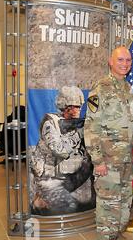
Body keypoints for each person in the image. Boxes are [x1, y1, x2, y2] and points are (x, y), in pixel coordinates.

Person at [84, 46, 133, 240]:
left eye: (128, 60)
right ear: (110, 61)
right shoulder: (100, 89)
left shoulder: (128, 89)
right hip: (107, 160)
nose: (125, 64)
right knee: (108, 203)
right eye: (120, 60)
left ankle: (117, 234)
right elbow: (90, 127)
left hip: (125, 158)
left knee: (124, 200)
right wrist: (97, 161)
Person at [29, 85, 95, 216]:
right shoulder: (50, 123)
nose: (78, 109)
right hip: (46, 174)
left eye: (79, 106)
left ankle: (49, 195)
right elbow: (60, 150)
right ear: (65, 105)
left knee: (88, 160)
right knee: (70, 206)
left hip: (60, 171)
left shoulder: (75, 123)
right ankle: (42, 196)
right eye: (75, 106)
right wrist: (78, 134)